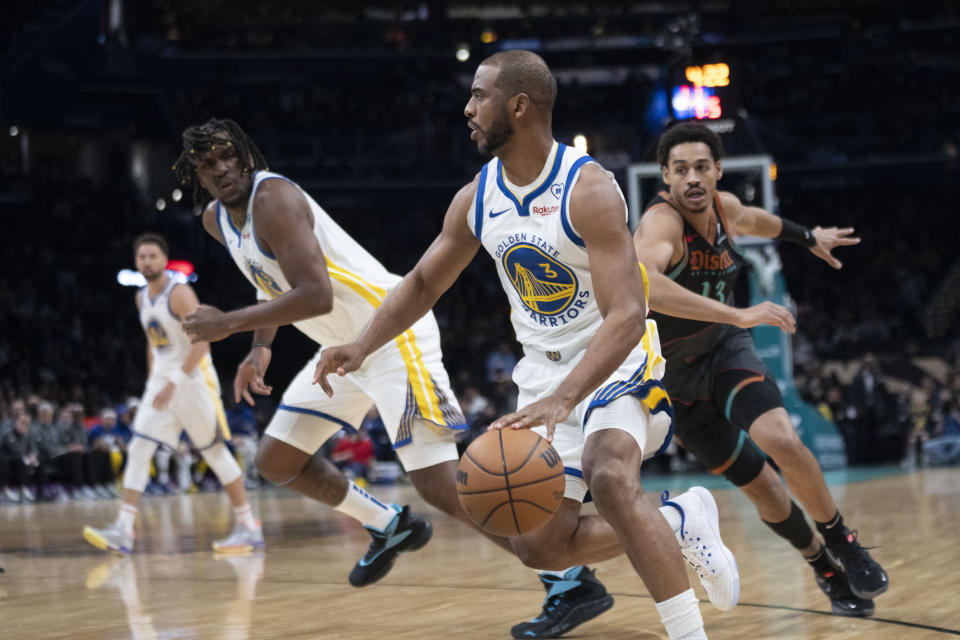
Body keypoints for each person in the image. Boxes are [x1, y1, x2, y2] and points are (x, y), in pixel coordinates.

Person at [314, 51, 738, 640]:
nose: (467, 108)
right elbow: (422, 282)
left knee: (611, 478)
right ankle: (680, 517)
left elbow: (628, 312)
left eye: (479, 95)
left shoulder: (588, 189)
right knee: (538, 546)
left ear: (519, 105)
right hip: (542, 372)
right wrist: (361, 345)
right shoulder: (476, 197)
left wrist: (567, 399)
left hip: (615, 359)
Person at [174, 118, 466, 588]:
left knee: (439, 486)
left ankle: (565, 574)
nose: (223, 168)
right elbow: (268, 281)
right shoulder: (216, 220)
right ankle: (389, 525)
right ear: (196, 174)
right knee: (275, 461)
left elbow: (316, 296)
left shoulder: (273, 199)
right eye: (209, 163)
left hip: (390, 333)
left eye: (230, 156)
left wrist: (227, 323)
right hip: (341, 353)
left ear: (247, 156)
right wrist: (260, 346)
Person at [631, 121, 887, 616]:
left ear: (717, 170)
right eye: (681, 169)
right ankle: (823, 567)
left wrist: (807, 236)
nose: (692, 178)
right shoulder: (661, 223)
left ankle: (843, 541)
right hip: (677, 383)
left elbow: (754, 220)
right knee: (763, 487)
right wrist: (738, 313)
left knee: (783, 440)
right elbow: (646, 283)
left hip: (725, 351)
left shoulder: (724, 209)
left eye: (702, 167)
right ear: (665, 176)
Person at [83, 233, 263, 554]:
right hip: (163, 381)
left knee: (214, 452)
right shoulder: (140, 298)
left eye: (152, 256)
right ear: (136, 262)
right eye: (141, 257)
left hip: (192, 379)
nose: (147, 262)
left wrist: (173, 382)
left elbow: (202, 343)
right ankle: (124, 530)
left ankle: (248, 525)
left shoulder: (179, 293)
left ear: (164, 259)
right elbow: (153, 344)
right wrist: (155, 380)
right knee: (138, 448)